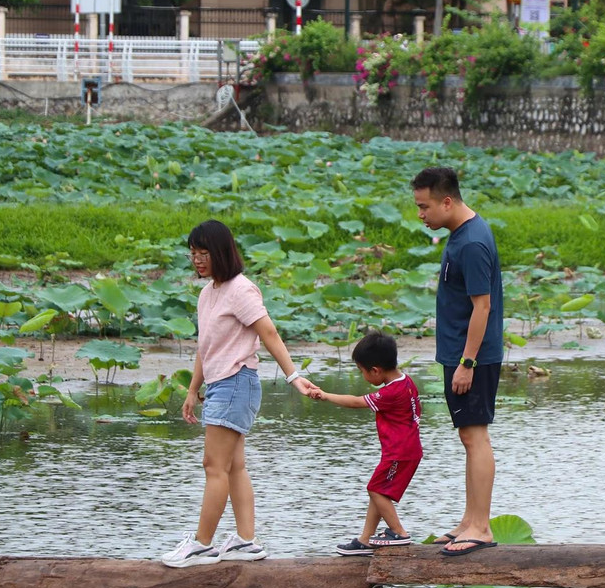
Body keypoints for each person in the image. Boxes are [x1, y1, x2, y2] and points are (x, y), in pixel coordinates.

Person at [162, 219, 318, 568]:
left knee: (213, 465)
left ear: (221, 252)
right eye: (192, 254)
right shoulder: (208, 293)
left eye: (204, 253)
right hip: (220, 385)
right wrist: (192, 390)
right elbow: (205, 345)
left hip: (237, 382)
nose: (198, 260)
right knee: (233, 467)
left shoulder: (241, 289)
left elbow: (269, 333)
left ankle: (202, 545)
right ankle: (247, 541)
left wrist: (294, 377)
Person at [411, 166, 503, 557]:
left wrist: (467, 361)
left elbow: (481, 307)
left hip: (472, 357)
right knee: (469, 436)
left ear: (446, 201)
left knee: (475, 435)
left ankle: (480, 526)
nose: (421, 214)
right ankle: (469, 520)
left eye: (424, 206)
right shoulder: (461, 235)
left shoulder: (471, 243)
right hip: (459, 353)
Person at [308, 332, 423, 556]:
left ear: (375, 370)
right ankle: (366, 540)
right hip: (405, 451)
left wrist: (324, 395)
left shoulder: (392, 392)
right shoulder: (406, 382)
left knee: (375, 490)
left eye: (362, 371)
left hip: (399, 453)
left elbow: (356, 402)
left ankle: (399, 533)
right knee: (378, 492)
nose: (363, 376)